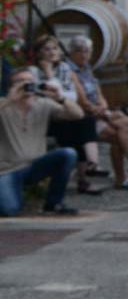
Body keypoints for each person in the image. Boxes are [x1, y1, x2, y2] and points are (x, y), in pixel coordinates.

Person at [64, 35, 128, 189]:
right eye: (80, 51)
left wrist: (103, 106)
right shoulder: (70, 71)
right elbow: (82, 100)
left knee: (123, 124)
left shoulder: (86, 68)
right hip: (82, 118)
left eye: (87, 51)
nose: (84, 55)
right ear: (72, 53)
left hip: (96, 115)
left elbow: (98, 92)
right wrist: (102, 112)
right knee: (119, 132)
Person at [1, 66, 83, 216]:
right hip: (6, 170)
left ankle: (53, 203)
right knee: (9, 210)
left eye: (30, 81)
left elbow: (77, 115)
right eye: (20, 82)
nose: (26, 85)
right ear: (11, 86)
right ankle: (13, 194)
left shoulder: (43, 103)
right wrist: (10, 99)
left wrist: (61, 97)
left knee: (68, 154)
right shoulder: (4, 105)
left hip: (34, 165)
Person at [34, 38, 104, 197]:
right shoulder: (33, 71)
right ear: (39, 53)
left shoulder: (64, 68)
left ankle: (90, 168)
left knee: (84, 121)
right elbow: (45, 94)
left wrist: (57, 94)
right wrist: (49, 73)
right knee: (80, 125)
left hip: (63, 114)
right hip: (43, 117)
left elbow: (71, 95)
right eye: (47, 49)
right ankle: (88, 172)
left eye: (55, 48)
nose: (52, 52)